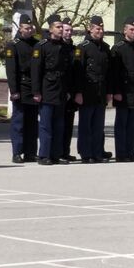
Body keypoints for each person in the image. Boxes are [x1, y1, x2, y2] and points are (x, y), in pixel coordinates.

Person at [31, 15, 73, 165]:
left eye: (62, 27)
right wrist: (36, 92)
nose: (61, 29)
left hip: (61, 89)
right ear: (50, 29)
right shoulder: (41, 46)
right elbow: (36, 71)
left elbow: (68, 71)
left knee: (59, 125)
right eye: (58, 27)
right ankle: (44, 155)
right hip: (47, 89)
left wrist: (68, 90)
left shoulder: (65, 47)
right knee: (46, 125)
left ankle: (55, 155)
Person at [74, 16, 113, 163]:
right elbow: (78, 73)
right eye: (97, 28)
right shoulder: (82, 47)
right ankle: (86, 154)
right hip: (87, 92)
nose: (100, 31)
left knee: (98, 126)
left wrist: (109, 91)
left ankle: (97, 153)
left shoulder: (105, 48)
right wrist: (78, 92)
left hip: (101, 92)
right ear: (90, 29)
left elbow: (109, 72)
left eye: (102, 29)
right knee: (86, 125)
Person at [111, 16, 134, 162]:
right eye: (131, 29)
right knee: (121, 124)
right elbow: (114, 73)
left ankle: (130, 151)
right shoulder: (118, 48)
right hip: (123, 90)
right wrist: (117, 91)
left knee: (132, 124)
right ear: (124, 30)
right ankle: (121, 153)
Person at [5, 14, 39, 163]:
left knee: (32, 123)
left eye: (31, 28)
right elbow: (11, 71)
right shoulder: (13, 45)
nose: (29, 30)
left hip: (33, 88)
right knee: (18, 123)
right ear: (20, 28)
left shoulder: (36, 44)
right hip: (20, 87)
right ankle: (17, 152)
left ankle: (31, 152)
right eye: (26, 28)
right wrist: (14, 91)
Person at [60, 17, 78, 162]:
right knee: (59, 124)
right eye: (66, 30)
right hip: (59, 92)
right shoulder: (58, 47)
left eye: (71, 30)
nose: (68, 33)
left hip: (71, 92)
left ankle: (65, 151)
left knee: (68, 125)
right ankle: (58, 152)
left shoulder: (73, 49)